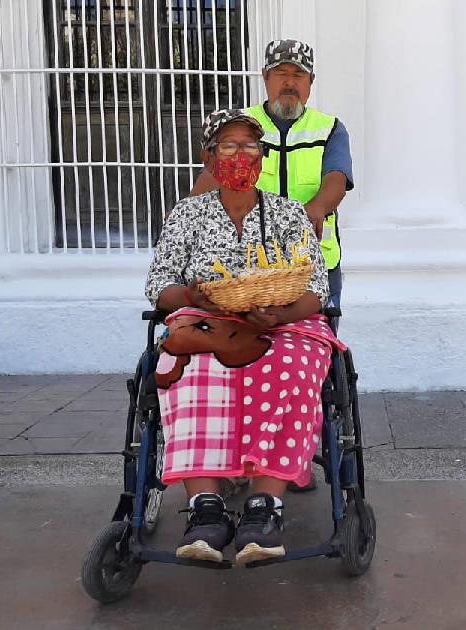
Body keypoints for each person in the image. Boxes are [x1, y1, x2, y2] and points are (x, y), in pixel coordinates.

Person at [145, 108, 343, 566]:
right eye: (228, 146)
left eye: (250, 146)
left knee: (291, 366)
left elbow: (316, 289)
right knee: (187, 367)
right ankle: (205, 510)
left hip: (283, 322)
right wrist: (193, 293)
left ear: (262, 157)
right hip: (207, 321)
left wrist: (282, 313)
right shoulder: (187, 216)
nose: (240, 154)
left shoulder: (289, 214)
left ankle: (264, 507)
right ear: (210, 158)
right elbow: (159, 285)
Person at [190, 39, 353, 311]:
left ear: (310, 82)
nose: (290, 83)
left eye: (298, 75)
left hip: (313, 264)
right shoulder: (240, 125)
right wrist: (188, 216)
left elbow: (337, 178)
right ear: (265, 77)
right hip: (247, 267)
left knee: (316, 343)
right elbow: (211, 178)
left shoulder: (329, 128)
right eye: (281, 74)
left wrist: (316, 208)